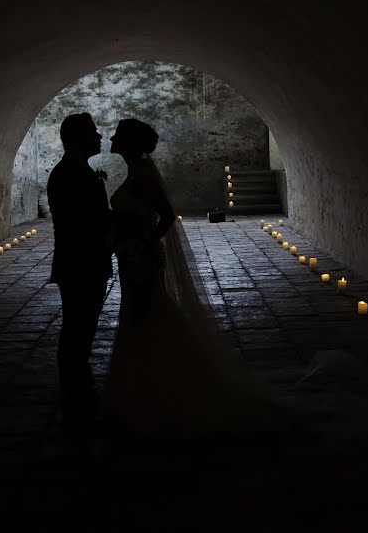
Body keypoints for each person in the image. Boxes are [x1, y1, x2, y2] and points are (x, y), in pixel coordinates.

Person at [106, 118, 288, 438]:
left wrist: (144, 243)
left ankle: (154, 394)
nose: (111, 137)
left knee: (145, 315)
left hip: (140, 258)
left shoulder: (144, 173)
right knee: (139, 317)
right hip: (131, 255)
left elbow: (165, 214)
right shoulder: (138, 171)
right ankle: (144, 390)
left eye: (118, 134)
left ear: (130, 142)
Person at [47, 112, 113, 435]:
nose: (100, 137)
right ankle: (74, 390)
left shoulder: (78, 171)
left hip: (88, 262)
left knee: (83, 327)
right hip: (79, 264)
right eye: (93, 132)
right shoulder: (66, 175)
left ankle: (79, 384)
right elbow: (78, 224)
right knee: (77, 326)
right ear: (77, 138)